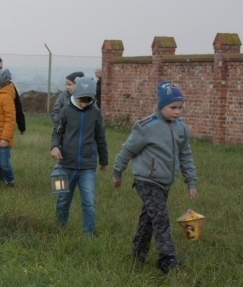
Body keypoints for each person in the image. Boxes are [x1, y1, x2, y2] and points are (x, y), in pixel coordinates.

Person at [112, 81, 197, 273]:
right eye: (172, 107)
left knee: (149, 219)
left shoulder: (181, 129)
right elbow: (127, 150)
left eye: (180, 108)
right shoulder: (146, 127)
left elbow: (186, 156)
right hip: (146, 180)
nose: (177, 112)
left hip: (165, 182)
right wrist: (117, 172)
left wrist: (191, 181)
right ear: (160, 106)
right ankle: (167, 259)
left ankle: (138, 253)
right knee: (160, 218)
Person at [50, 76, 108, 235]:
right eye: (81, 100)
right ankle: (60, 229)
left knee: (89, 202)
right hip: (64, 165)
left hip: (87, 167)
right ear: (75, 96)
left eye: (87, 101)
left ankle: (88, 233)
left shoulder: (95, 113)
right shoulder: (66, 110)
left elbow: (100, 137)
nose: (83, 104)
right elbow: (57, 132)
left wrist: (104, 160)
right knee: (62, 199)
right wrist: (55, 147)